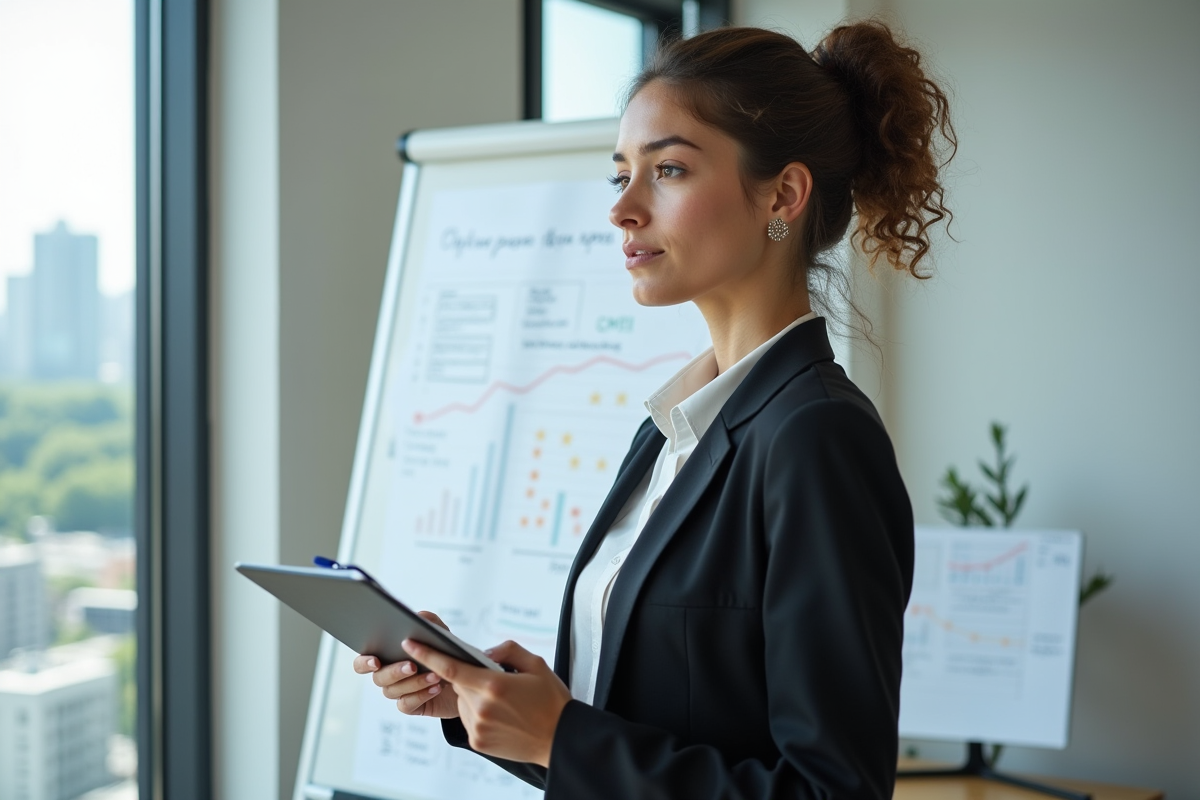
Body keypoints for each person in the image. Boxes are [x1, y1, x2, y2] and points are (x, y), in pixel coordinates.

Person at [354, 20, 955, 800]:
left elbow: (833, 790)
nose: (624, 210)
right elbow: (641, 731)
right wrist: (489, 705)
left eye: (667, 170)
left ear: (783, 193)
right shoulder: (667, 433)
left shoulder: (816, 437)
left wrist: (564, 734)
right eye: (620, 175)